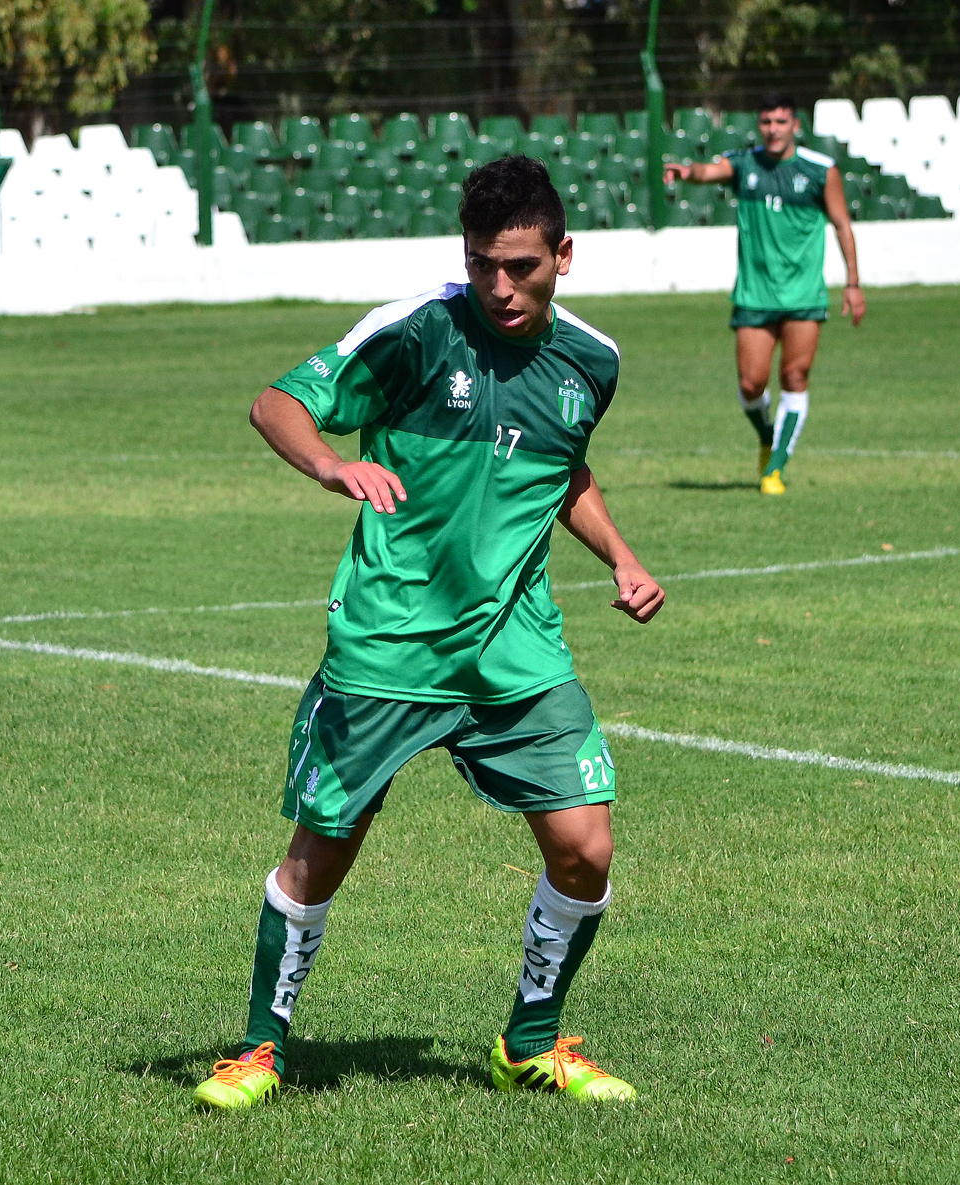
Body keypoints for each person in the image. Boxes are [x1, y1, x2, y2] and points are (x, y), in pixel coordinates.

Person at [192, 155, 665, 1111]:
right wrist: (329, 465)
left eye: (522, 266)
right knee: (323, 848)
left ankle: (530, 1041)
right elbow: (275, 402)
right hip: (390, 641)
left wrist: (619, 552)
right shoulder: (415, 331)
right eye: (483, 262)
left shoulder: (592, 361)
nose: (500, 285)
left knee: (587, 847)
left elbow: (560, 467)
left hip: (513, 644)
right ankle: (259, 1049)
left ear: (563, 256)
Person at [665, 91, 865, 495]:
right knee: (751, 384)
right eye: (766, 122)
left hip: (804, 295)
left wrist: (853, 283)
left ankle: (775, 466)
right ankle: (766, 434)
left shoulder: (820, 170)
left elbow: (843, 225)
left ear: (796, 125)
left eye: (781, 121)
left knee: (795, 375)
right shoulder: (745, 163)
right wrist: (688, 173)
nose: (773, 129)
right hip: (754, 295)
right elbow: (709, 171)